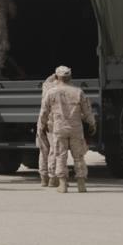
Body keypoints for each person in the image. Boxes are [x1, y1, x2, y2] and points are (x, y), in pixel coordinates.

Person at [37, 65, 95, 193]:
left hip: (59, 128)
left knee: (60, 156)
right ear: (70, 77)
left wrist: (41, 126)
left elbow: (44, 112)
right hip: (76, 128)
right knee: (79, 156)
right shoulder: (78, 92)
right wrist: (92, 124)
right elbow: (87, 111)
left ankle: (62, 185)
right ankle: (81, 184)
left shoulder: (51, 92)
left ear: (57, 77)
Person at [36, 73, 59, 187]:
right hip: (54, 122)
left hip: (42, 120)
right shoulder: (61, 89)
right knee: (54, 150)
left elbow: (48, 80)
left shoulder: (46, 85)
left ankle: (43, 178)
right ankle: (53, 178)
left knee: (43, 150)